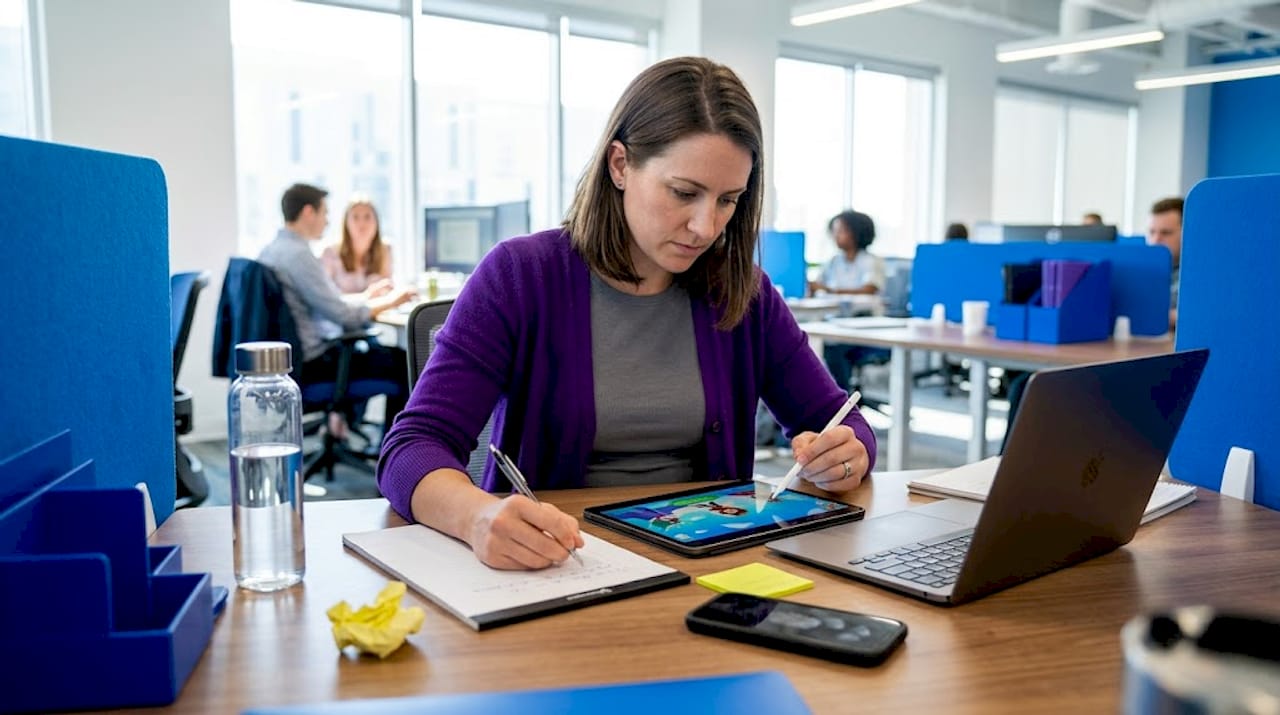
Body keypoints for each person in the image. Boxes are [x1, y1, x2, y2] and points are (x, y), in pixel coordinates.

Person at [377, 56, 877, 571]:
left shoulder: (743, 292)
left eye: (728, 200)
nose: (706, 227)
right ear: (620, 165)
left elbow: (840, 421)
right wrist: (477, 517)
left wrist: (847, 452)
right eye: (684, 193)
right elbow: (411, 450)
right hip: (557, 565)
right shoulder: (520, 276)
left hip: (708, 566)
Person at [258, 183, 417, 438]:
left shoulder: (273, 250)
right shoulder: (299, 257)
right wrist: (392, 300)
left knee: (382, 354)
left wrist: (365, 297)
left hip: (294, 359)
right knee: (404, 363)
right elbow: (343, 316)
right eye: (325, 213)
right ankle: (394, 454)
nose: (327, 221)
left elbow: (327, 304)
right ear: (309, 212)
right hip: (315, 363)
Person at [809, 210, 888, 393]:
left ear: (856, 232)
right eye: (834, 231)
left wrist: (829, 290)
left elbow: (870, 288)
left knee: (833, 348)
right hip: (836, 323)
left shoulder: (870, 261)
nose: (836, 236)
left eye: (841, 230)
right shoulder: (833, 262)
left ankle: (840, 399)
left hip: (865, 324)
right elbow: (818, 286)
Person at [321, 194, 394, 296]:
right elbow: (327, 298)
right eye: (355, 217)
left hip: (379, 311)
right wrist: (367, 296)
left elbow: (388, 290)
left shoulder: (385, 249)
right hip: (344, 312)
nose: (362, 223)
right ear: (346, 223)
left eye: (367, 217)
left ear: (376, 222)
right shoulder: (330, 253)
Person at [1147, 196, 1183, 330]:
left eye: (1166, 233)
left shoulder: (1200, 274)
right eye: (1152, 232)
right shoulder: (1144, 271)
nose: (1155, 240)